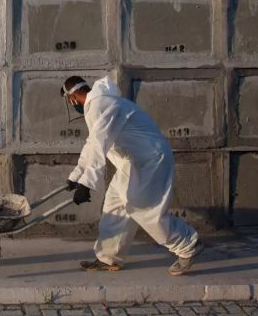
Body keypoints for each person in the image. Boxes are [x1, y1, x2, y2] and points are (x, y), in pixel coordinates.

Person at [61, 74, 203, 276]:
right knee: (115, 204)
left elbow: (99, 143)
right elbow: (92, 143)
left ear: (71, 98)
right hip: (134, 161)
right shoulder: (99, 103)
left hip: (151, 159)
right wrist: (77, 175)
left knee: (143, 208)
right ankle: (108, 257)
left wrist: (87, 183)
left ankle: (188, 245)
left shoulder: (100, 104)